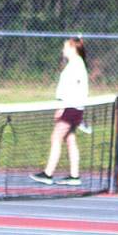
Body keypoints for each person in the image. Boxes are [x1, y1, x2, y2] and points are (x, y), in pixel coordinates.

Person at [30, 37, 89, 187]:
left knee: (56, 137)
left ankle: (48, 173)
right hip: (76, 108)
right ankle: (74, 176)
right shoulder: (77, 64)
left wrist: (60, 108)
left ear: (72, 48)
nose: (63, 50)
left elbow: (70, 90)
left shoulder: (75, 65)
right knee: (70, 140)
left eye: (65, 47)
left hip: (70, 108)